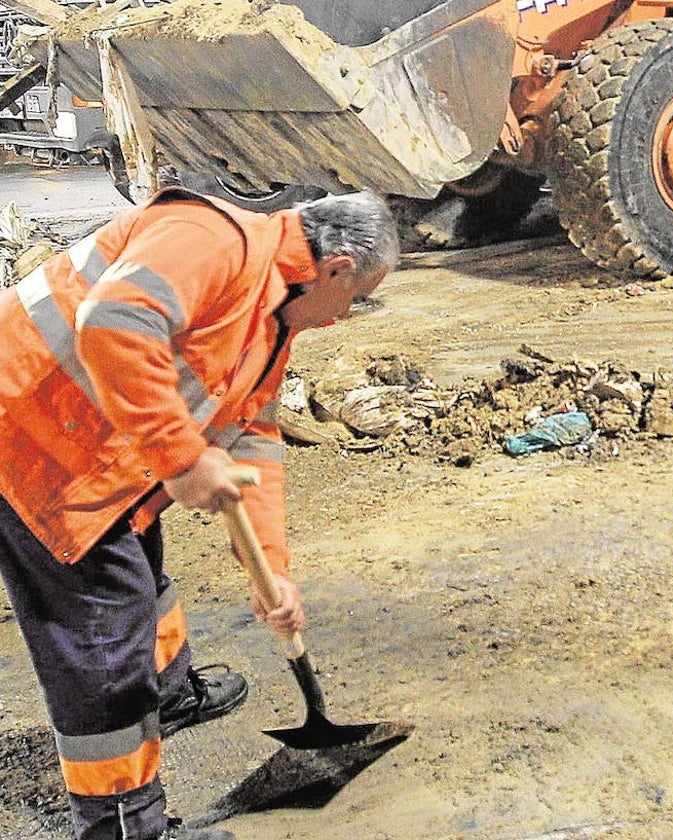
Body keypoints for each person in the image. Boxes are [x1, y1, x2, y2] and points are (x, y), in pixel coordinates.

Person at [0, 186, 399, 839]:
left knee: (142, 575)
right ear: (334, 270)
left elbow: (255, 446)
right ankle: (124, 824)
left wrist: (270, 571)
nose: (341, 318)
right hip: (30, 443)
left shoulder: (273, 323)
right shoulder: (213, 239)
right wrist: (183, 458)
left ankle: (168, 691)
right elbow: (113, 324)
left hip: (96, 452)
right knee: (105, 635)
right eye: (354, 301)